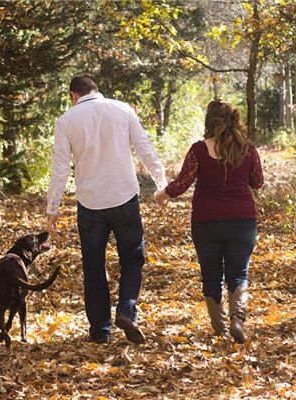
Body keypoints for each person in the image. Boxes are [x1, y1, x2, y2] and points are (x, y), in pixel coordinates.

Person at [46, 74, 167, 345]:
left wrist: (53, 208)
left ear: (72, 95)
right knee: (133, 258)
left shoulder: (66, 121)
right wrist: (162, 185)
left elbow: (60, 168)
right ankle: (126, 308)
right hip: (124, 198)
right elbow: (145, 149)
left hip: (90, 205)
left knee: (93, 266)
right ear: (96, 90)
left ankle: (101, 331)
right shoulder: (122, 110)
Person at [154, 100, 263, 343]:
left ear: (209, 121)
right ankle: (238, 319)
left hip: (206, 221)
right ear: (236, 120)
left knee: (211, 275)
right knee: (239, 274)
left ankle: (220, 327)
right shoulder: (248, 149)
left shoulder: (199, 150)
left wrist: (161, 195)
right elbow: (257, 182)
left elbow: (182, 184)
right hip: (242, 221)